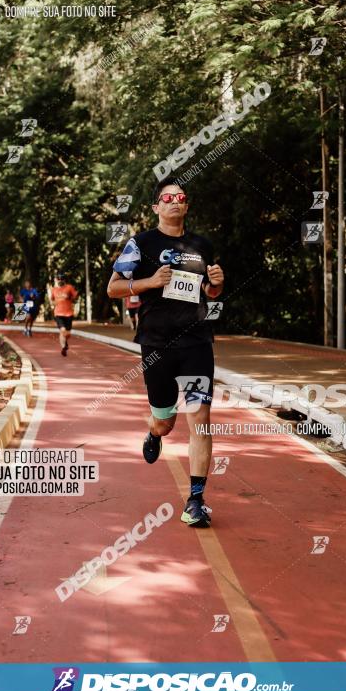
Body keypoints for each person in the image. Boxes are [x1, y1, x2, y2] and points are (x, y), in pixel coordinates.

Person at [107, 178, 224, 528]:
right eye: (167, 197)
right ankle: (154, 432)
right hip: (157, 345)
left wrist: (215, 283)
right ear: (156, 206)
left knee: (200, 419)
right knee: (166, 421)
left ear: (186, 206)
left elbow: (210, 294)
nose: (175, 201)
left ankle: (196, 500)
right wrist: (149, 282)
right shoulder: (140, 244)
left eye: (181, 197)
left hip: (197, 342)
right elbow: (113, 288)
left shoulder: (201, 245)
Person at [49, 272, 79, 356]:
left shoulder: (69, 287)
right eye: (59, 279)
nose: (60, 280)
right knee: (62, 330)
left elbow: (75, 297)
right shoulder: (54, 289)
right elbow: (52, 300)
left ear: (64, 280)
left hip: (69, 313)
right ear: (57, 280)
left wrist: (72, 297)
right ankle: (63, 347)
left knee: (68, 333)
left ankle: (65, 343)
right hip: (58, 313)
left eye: (62, 279)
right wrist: (54, 304)